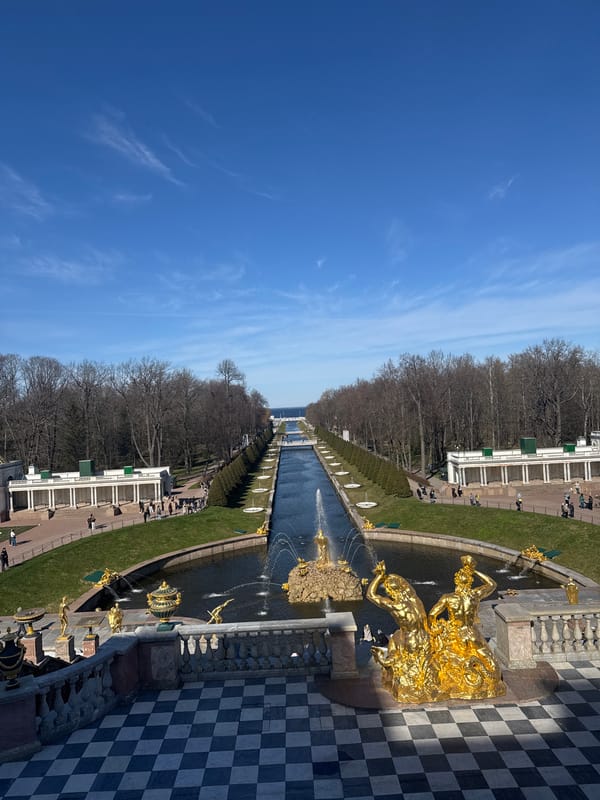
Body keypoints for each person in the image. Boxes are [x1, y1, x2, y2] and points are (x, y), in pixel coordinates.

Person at [428, 555, 504, 699]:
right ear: (470, 581)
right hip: (473, 633)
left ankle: (462, 682)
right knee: (487, 659)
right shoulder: (475, 595)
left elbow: (432, 615)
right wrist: (473, 571)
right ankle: (489, 680)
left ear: (456, 581)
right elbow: (492, 584)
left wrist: (437, 628)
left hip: (457, 635)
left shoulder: (448, 598)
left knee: (453, 661)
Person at [366, 560, 440, 702]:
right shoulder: (414, 599)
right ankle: (426, 685)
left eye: (388, 591)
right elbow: (408, 587)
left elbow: (371, 595)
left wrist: (379, 577)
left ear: (392, 592)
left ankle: (390, 667)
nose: (388, 593)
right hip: (426, 638)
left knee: (406, 661)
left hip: (410, 640)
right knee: (400, 641)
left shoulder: (395, 606)